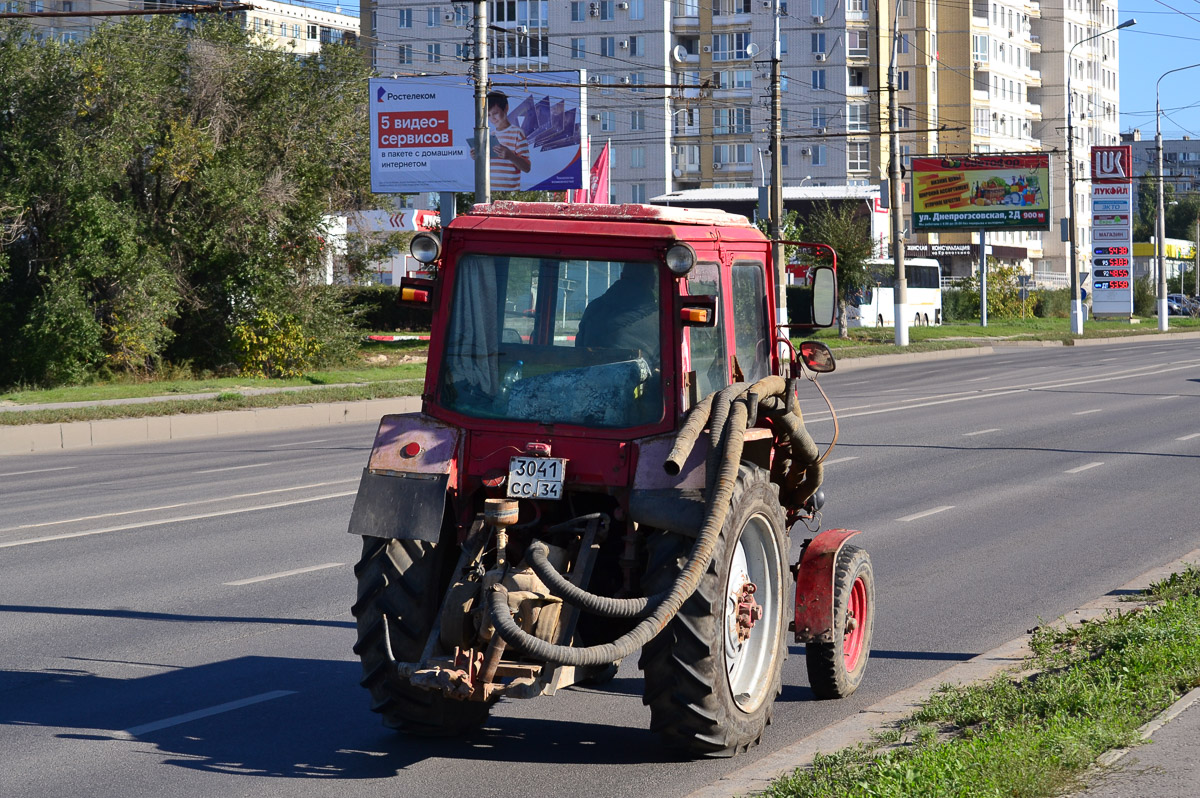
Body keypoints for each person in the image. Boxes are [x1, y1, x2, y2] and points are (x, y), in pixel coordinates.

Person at [576, 264, 659, 359]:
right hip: (637, 373)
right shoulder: (660, 318)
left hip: (591, 372)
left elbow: (579, 349)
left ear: (622, 277)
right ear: (653, 281)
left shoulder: (593, 308)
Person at [472, 91, 531, 191]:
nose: (492, 118)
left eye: (495, 113)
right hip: (489, 192)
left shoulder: (517, 133)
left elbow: (527, 167)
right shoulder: (491, 136)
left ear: (506, 108)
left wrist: (511, 156)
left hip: (510, 193)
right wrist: (477, 156)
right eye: (489, 115)